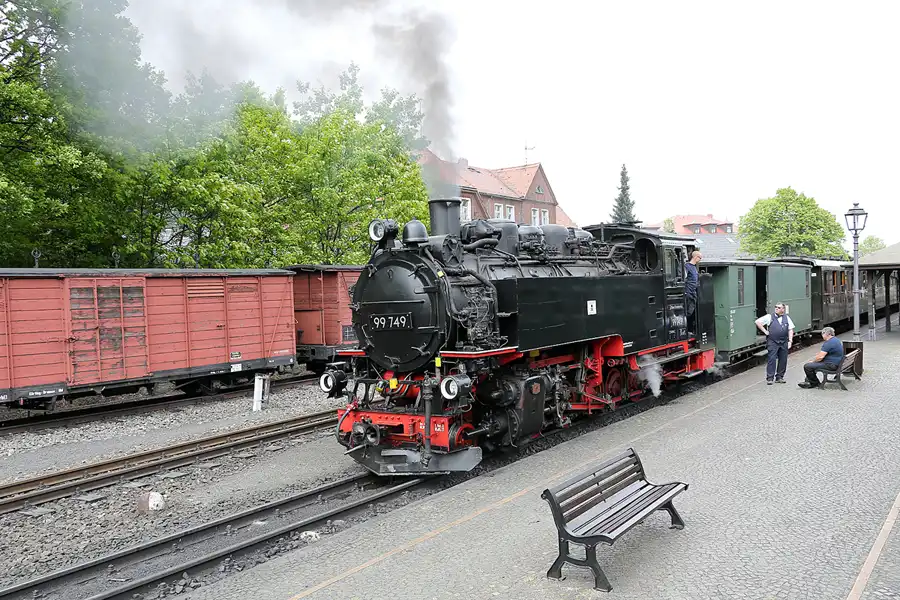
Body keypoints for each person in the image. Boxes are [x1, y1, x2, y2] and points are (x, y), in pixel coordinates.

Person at [755, 302, 794, 385]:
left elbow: (790, 329)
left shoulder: (787, 318)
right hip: (773, 341)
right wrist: (765, 331)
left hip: (784, 341)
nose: (776, 308)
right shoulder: (769, 317)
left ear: (783, 309)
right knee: (771, 359)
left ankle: (780, 377)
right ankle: (770, 378)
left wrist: (790, 341)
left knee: (783, 360)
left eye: (779, 307)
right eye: (776, 307)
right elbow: (757, 322)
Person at [684, 251, 702, 325]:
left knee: (691, 309)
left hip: (693, 292)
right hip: (688, 292)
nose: (700, 260)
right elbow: (684, 278)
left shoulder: (694, 268)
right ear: (695, 257)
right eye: (700, 258)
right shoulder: (686, 266)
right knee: (688, 310)